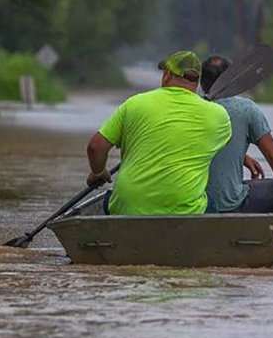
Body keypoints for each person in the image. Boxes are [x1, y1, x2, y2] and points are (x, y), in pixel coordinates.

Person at [85, 50, 231, 215]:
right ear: (196, 82)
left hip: (128, 208)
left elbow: (95, 147)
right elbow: (224, 145)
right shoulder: (219, 115)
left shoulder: (134, 103)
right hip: (187, 212)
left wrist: (98, 172)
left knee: (112, 198)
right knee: (212, 202)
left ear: (167, 74)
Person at [201, 54, 273, 213]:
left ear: (202, 82)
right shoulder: (245, 109)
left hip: (194, 202)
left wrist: (242, 156)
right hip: (228, 203)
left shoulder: (192, 109)